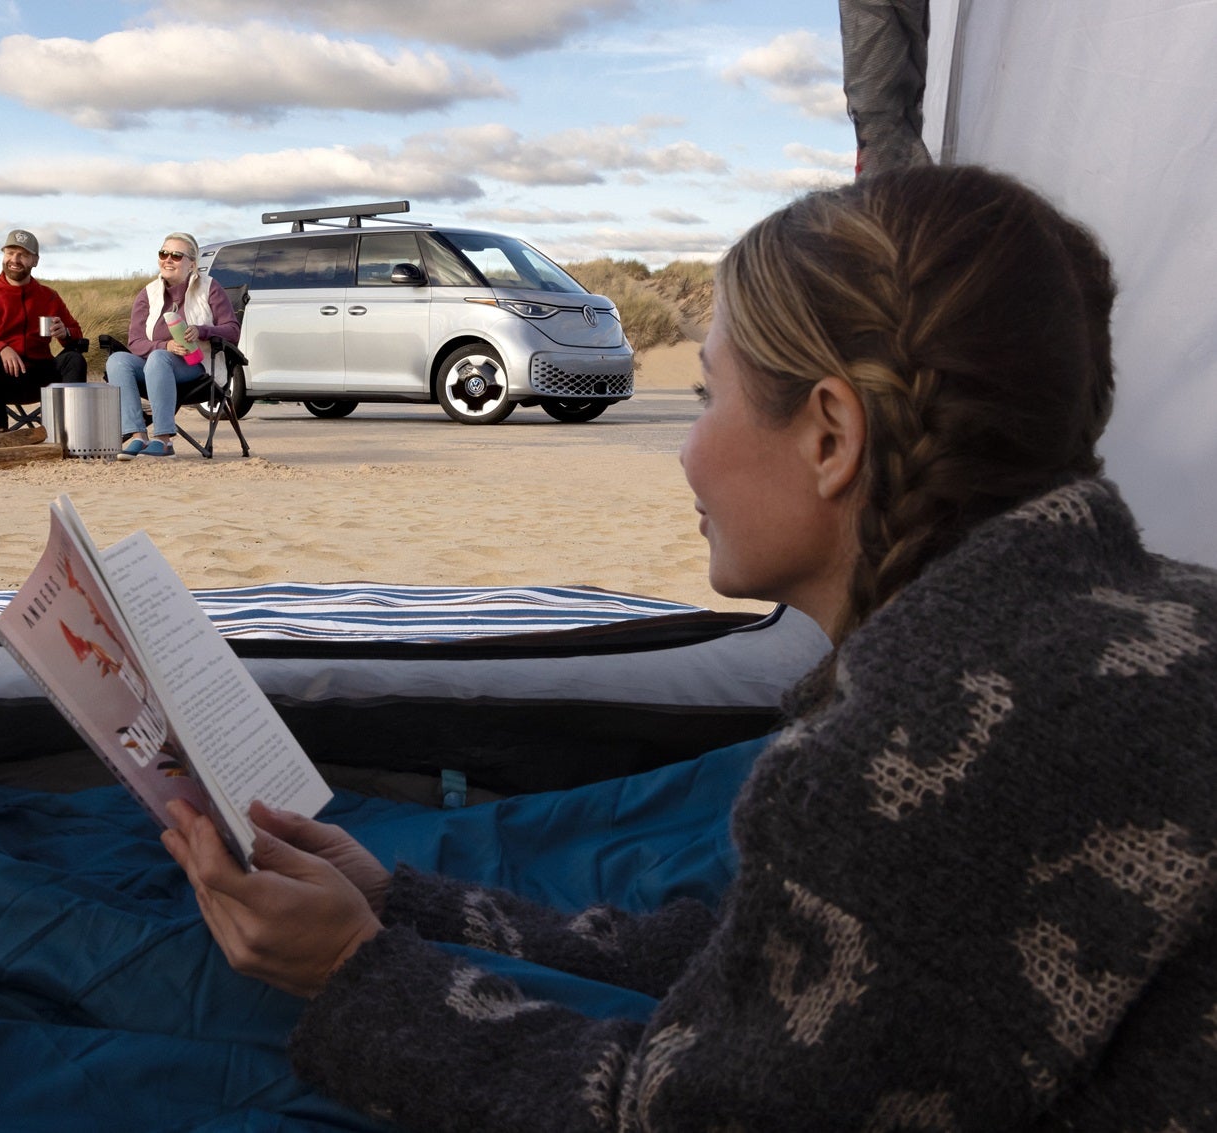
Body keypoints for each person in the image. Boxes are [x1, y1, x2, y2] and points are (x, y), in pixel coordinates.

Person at [163, 165, 1217, 1129]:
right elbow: (777, 967)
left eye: (710, 396)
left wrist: (350, 971)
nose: (685, 444)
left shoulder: (914, 757)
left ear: (828, 437)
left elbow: (682, 1115)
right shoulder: (1164, 617)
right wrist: (406, 902)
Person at [105, 232, 240, 459]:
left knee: (159, 358)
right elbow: (135, 341)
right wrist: (164, 345)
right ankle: (137, 435)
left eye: (176, 255)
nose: (168, 259)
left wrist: (202, 330)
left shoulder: (210, 288)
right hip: (154, 368)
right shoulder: (148, 294)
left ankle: (164, 439)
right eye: (163, 253)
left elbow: (232, 331)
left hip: (197, 367)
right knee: (117, 360)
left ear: (192, 264)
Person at [0, 229, 87, 434]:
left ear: (35, 261)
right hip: (3, 379)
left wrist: (65, 332)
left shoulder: (48, 297)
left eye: (23, 254)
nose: (15, 259)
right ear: (3, 256)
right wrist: (1, 348)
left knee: (74, 359)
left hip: (41, 374)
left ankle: (67, 432)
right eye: (10, 253)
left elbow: (77, 336)